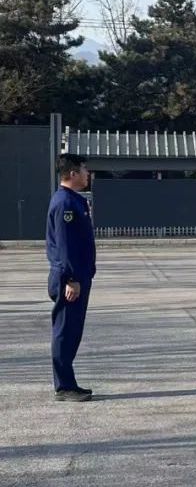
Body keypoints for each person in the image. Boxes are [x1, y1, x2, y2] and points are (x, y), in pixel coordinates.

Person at [46, 154, 96, 402]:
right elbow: (65, 246)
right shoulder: (65, 202)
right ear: (73, 174)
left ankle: (68, 382)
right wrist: (72, 279)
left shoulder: (74, 200)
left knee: (72, 330)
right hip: (69, 278)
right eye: (85, 170)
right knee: (65, 330)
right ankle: (63, 386)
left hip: (76, 277)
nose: (88, 174)